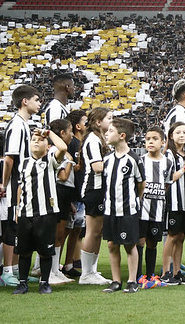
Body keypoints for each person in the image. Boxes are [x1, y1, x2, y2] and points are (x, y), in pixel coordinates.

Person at [12, 127, 68, 295]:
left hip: (46, 213)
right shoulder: (24, 163)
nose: (36, 141)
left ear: (48, 146)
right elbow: (20, 187)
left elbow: (63, 148)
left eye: (40, 140)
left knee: (45, 251)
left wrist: (49, 133)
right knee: (24, 251)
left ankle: (44, 282)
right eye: (34, 139)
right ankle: (22, 283)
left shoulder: (51, 159)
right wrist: (17, 208)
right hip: (25, 213)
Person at [0, 85, 42, 288]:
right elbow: (9, 158)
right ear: (25, 101)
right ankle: (6, 272)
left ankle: (14, 269)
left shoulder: (23, 124)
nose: (39, 103)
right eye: (37, 99)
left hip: (21, 180)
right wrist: (3, 184)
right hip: (16, 181)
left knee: (20, 225)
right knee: (13, 226)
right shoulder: (16, 125)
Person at [101, 118, 143, 294]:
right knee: (112, 244)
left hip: (127, 210)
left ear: (122, 136)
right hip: (110, 209)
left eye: (110, 131)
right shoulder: (108, 159)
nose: (106, 134)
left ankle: (132, 281)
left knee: (129, 244)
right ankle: (116, 280)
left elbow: (141, 184)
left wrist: (134, 201)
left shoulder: (133, 159)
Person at [79, 107, 113, 285]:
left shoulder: (100, 139)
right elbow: (97, 167)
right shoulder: (93, 139)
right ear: (98, 122)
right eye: (108, 118)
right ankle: (86, 273)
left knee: (98, 231)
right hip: (94, 189)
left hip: (100, 189)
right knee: (92, 231)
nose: (111, 121)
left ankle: (92, 270)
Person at [137, 126, 173, 288]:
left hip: (158, 210)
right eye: (147, 139)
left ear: (163, 142)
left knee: (153, 243)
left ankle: (151, 275)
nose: (150, 142)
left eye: (154, 139)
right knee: (140, 241)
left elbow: (166, 185)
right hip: (141, 210)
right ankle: (138, 275)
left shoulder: (168, 162)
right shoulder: (141, 161)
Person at [162, 122, 185, 285]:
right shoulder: (168, 155)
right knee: (172, 236)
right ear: (171, 136)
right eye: (178, 132)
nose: (182, 135)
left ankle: (177, 271)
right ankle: (166, 271)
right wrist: (184, 169)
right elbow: (169, 178)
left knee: (181, 236)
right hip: (172, 201)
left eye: (184, 132)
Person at [48, 118, 76, 286]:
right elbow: (62, 176)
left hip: (65, 195)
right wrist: (70, 162)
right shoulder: (55, 151)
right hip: (58, 193)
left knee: (59, 235)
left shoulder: (63, 153)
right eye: (70, 130)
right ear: (62, 133)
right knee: (55, 234)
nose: (72, 134)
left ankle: (55, 270)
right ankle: (50, 271)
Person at [60, 110, 87, 280]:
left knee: (77, 229)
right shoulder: (72, 144)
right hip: (73, 193)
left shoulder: (82, 143)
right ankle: (55, 264)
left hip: (80, 194)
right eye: (86, 121)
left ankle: (69, 263)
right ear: (78, 126)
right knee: (64, 231)